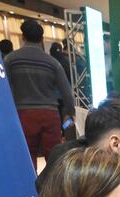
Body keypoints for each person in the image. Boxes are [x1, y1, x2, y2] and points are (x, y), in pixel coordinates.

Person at [4, 19, 75, 168]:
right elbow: (67, 92)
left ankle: (31, 189)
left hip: (23, 114)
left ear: (23, 37)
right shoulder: (52, 62)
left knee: (28, 157)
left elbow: (5, 90)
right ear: (42, 39)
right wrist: (69, 112)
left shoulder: (10, 60)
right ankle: (56, 189)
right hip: (50, 114)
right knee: (55, 156)